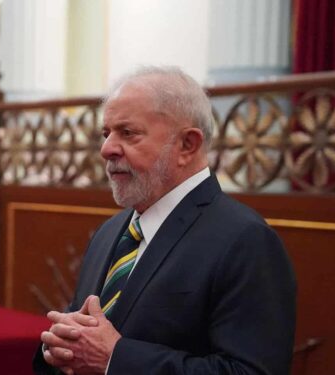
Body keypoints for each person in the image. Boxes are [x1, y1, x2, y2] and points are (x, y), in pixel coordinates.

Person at [33, 66, 296, 374]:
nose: (106, 149)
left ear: (187, 145)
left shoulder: (245, 240)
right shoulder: (110, 232)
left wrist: (115, 360)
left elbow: (250, 371)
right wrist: (57, 346)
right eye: (106, 134)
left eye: (127, 133)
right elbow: (83, 337)